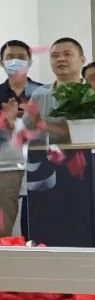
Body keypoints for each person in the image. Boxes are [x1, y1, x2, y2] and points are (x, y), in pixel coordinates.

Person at [0, 40, 43, 236]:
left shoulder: (42, 92)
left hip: (39, 164)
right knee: (3, 227)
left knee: (36, 224)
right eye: (10, 57)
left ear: (30, 61)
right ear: (2, 62)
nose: (15, 61)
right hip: (5, 167)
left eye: (21, 57)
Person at [24, 37, 87, 143]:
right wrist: (11, 122)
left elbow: (85, 132)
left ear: (82, 60)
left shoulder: (93, 93)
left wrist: (43, 124)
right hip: (45, 152)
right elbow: (26, 130)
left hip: (87, 152)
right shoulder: (39, 94)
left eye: (67, 54)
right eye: (55, 56)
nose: (60, 59)